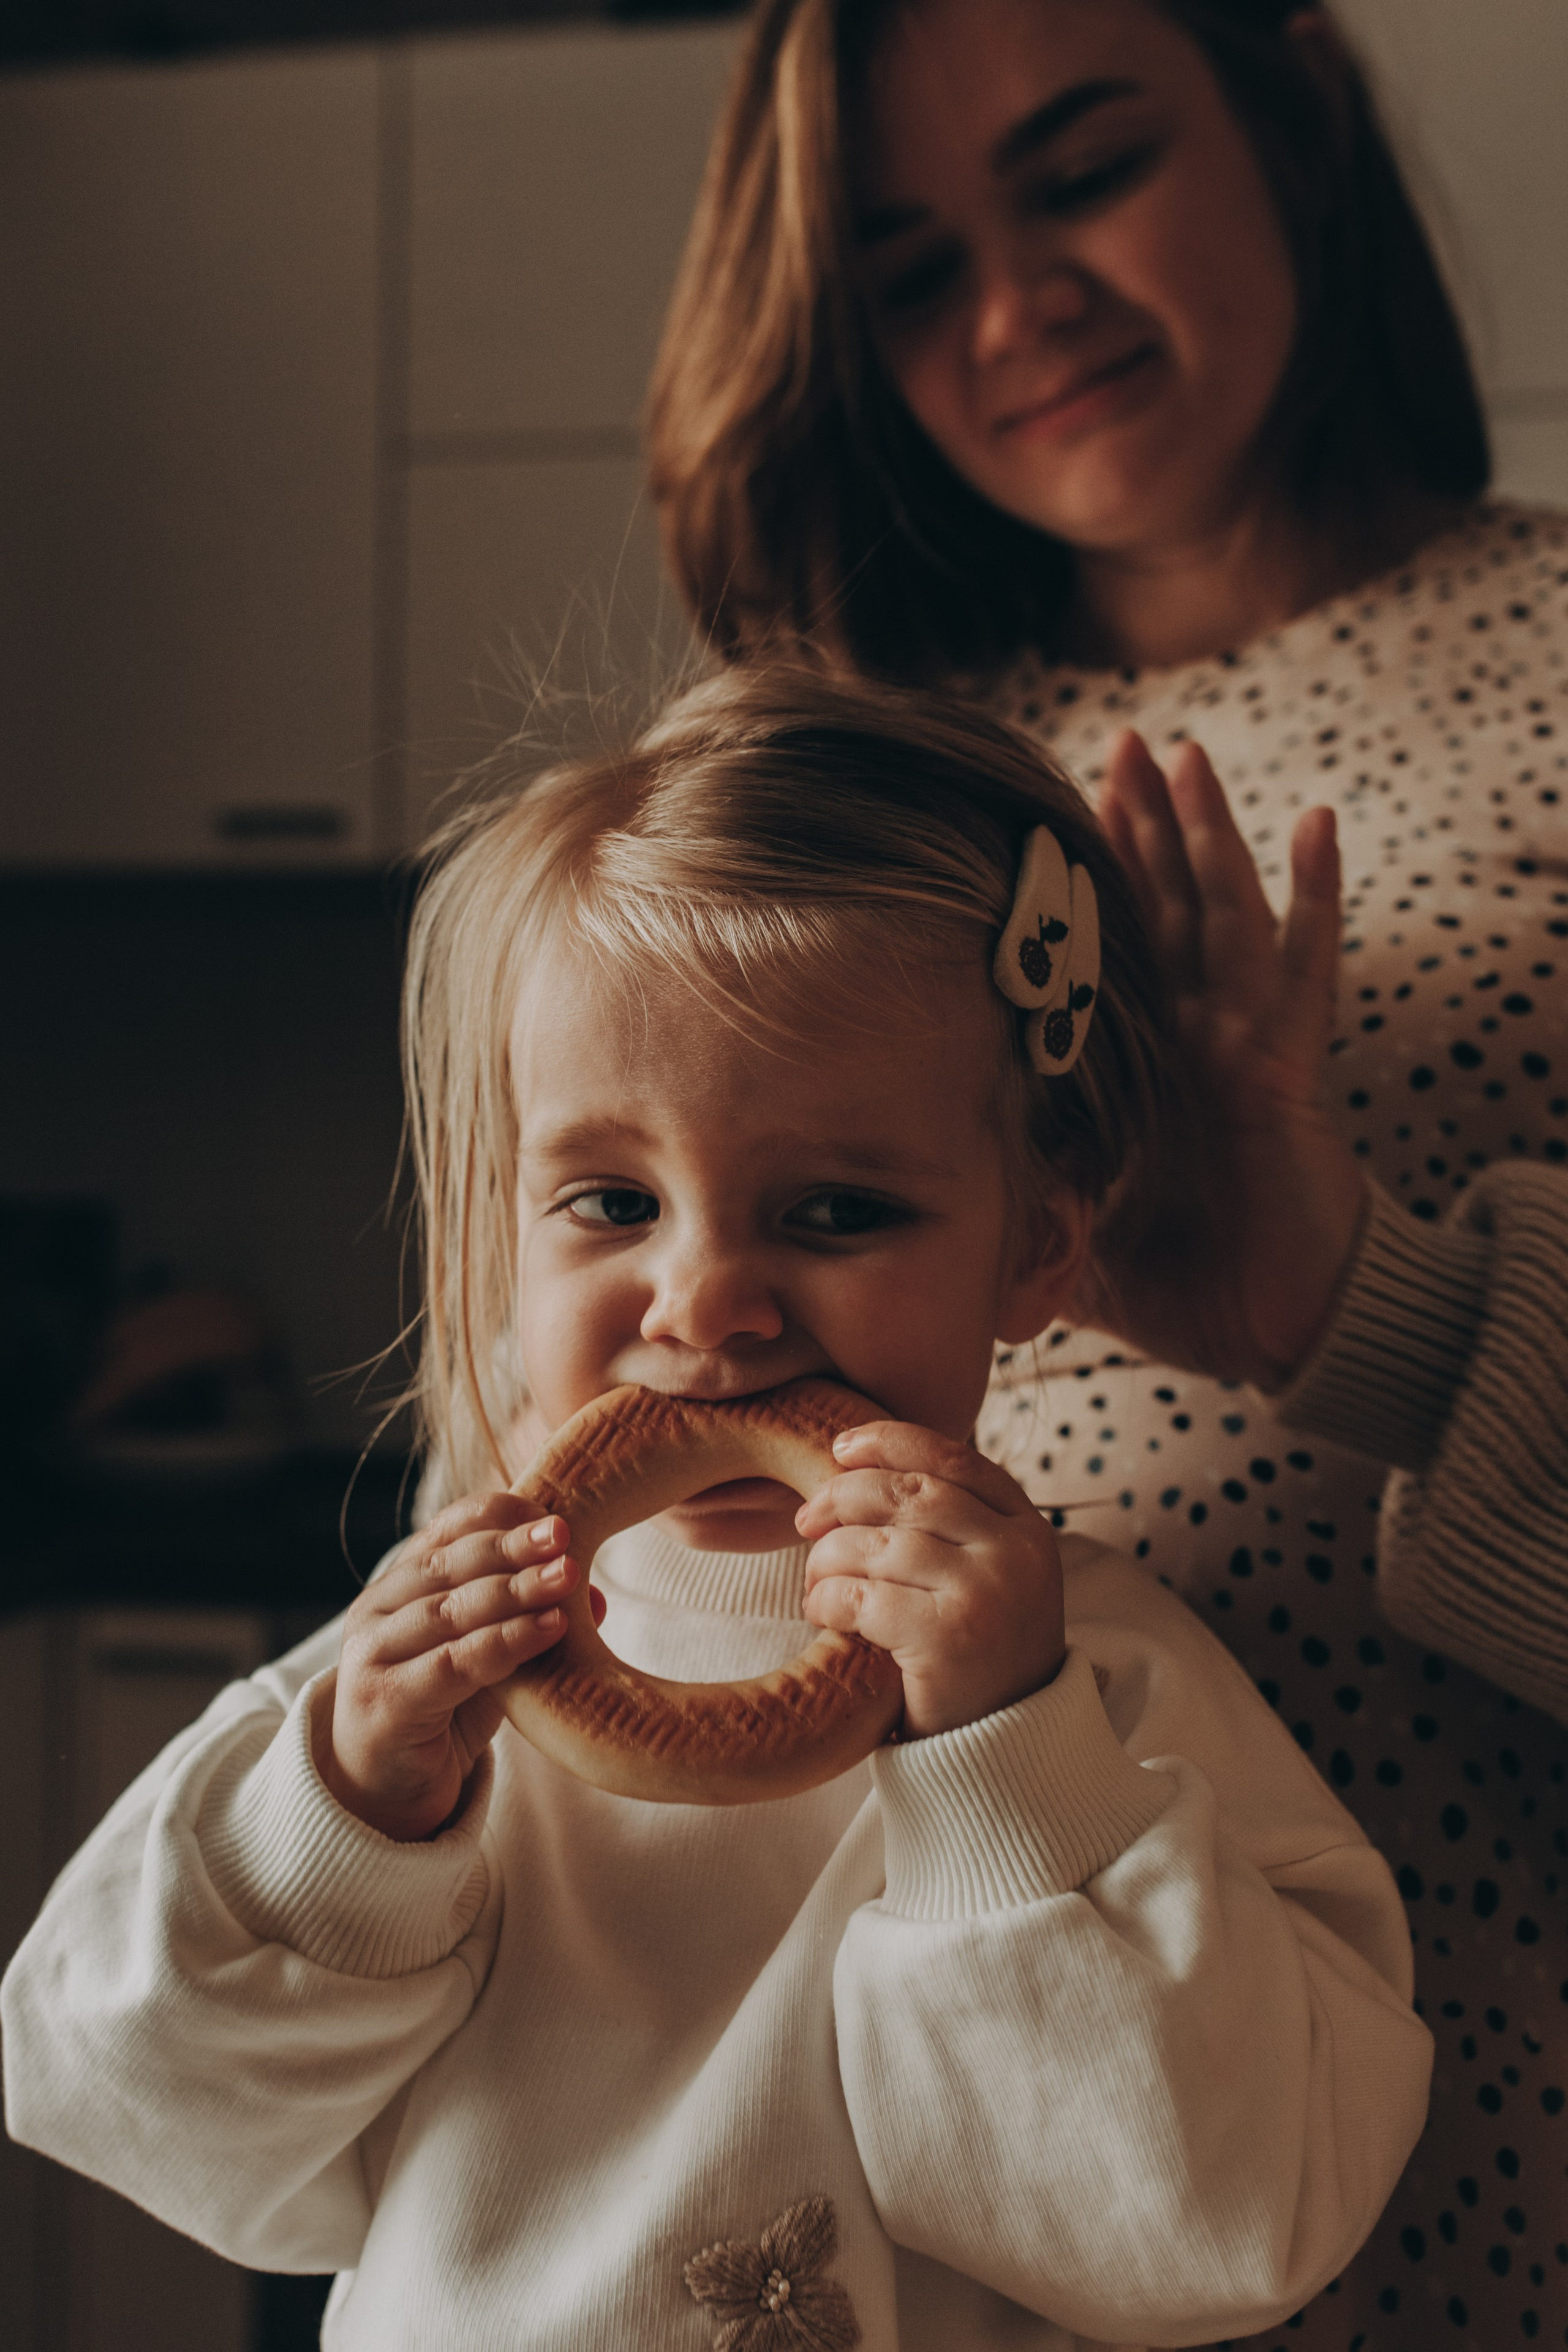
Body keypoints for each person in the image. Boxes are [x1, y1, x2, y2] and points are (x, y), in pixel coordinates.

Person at [3, 673, 1430, 2351]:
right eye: (611, 1199)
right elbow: (122, 2103)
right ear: (500, 1233)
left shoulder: (1097, 1684)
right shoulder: (422, 1676)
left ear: (1038, 1247)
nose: (708, 1303)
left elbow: (1227, 2233)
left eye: (836, 1208)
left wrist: (1004, 1767)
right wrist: (347, 1824)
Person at [646, 3, 1568, 2340]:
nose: (1013, 307)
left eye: (1081, 172)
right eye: (903, 268)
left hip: (1463, 2142)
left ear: (1292, 126)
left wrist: (1343, 1307)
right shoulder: (857, 793)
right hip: (913, 2145)